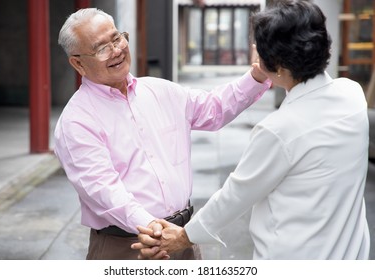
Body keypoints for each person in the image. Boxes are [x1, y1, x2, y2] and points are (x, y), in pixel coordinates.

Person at [132, 0, 371, 260]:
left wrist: (185, 236)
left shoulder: (279, 131)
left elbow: (236, 195)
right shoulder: (352, 95)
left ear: (278, 66)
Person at [54, 8, 271, 260]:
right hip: (130, 248)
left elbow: (214, 108)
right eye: (101, 48)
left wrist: (257, 76)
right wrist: (155, 230)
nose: (116, 50)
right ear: (78, 62)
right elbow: (103, 189)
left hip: (180, 239)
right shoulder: (77, 121)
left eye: (117, 38)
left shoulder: (161, 91)